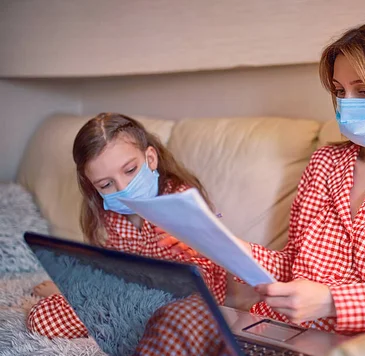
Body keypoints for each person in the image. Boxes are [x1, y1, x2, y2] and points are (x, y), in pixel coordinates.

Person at [87, 16, 365, 356]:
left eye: (362, 91)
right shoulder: (326, 164)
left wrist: (331, 300)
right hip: (280, 330)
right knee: (179, 322)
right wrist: (233, 250)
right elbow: (295, 266)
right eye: (339, 91)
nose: (346, 105)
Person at [27, 113, 227, 339]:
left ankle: (87, 301)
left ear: (150, 159)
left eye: (130, 170)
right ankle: (80, 297)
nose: (123, 188)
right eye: (107, 184)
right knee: (42, 318)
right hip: (130, 297)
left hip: (182, 305)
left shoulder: (180, 202)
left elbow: (201, 285)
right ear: (94, 187)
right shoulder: (111, 213)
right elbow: (113, 270)